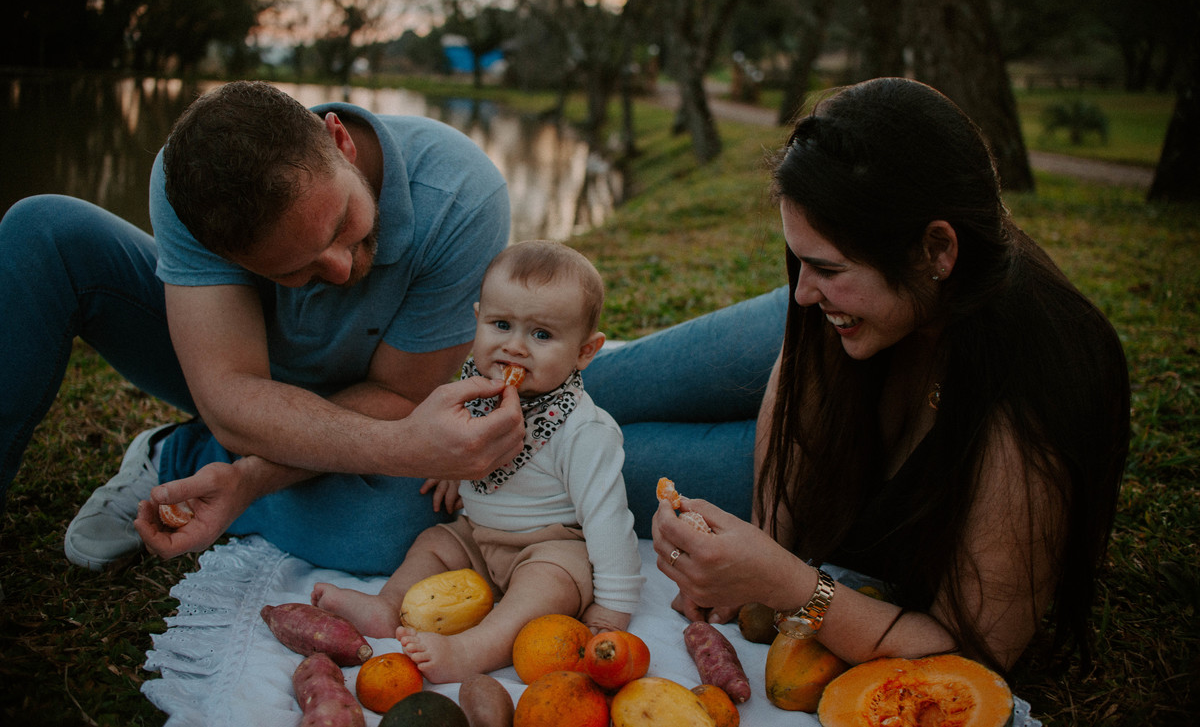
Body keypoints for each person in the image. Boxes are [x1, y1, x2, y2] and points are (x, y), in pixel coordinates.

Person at [650, 78, 1130, 673]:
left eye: (826, 267)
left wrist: (785, 582)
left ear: (936, 251)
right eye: (797, 260)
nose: (800, 293)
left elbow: (974, 655)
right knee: (582, 387)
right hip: (859, 331)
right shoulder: (827, 297)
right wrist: (762, 542)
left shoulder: (1033, 389)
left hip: (875, 347)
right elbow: (800, 376)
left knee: (592, 453)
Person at [0, 80, 526, 576]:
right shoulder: (192, 189)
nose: (341, 269)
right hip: (227, 359)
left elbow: (399, 394)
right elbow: (229, 390)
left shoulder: (462, 197)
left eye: (341, 223)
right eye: (292, 270)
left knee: (394, 530)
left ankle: (181, 458)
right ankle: (222, 451)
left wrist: (248, 481)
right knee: (41, 230)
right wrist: (402, 449)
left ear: (340, 141)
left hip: (365, 392)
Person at [311, 240, 643, 683]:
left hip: (550, 546)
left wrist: (613, 606)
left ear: (585, 351)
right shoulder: (475, 392)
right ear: (477, 319)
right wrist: (454, 472)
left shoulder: (583, 429)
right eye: (501, 325)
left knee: (547, 585)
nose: (515, 347)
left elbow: (607, 519)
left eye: (541, 335)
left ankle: (472, 650)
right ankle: (388, 606)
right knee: (434, 543)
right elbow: (463, 449)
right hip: (477, 535)